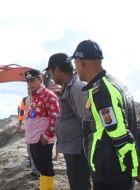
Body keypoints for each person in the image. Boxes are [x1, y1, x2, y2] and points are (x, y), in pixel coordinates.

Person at [68, 39, 140, 190]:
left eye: (75, 64)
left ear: (82, 62)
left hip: (111, 174)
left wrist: (135, 167)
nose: (75, 69)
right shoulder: (116, 84)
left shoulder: (102, 92)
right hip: (115, 171)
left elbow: (120, 135)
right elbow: (134, 125)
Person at [44, 53, 91, 190]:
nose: (51, 76)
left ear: (57, 70)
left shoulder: (76, 87)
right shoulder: (68, 87)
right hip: (72, 148)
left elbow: (88, 121)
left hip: (78, 150)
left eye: (50, 72)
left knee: (80, 185)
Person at [24, 69, 59, 190]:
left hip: (42, 139)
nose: (30, 84)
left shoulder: (49, 95)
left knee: (45, 167)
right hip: (33, 138)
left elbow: (55, 118)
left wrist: (46, 137)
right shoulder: (34, 97)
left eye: (32, 80)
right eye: (28, 81)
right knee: (40, 167)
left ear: (40, 79)